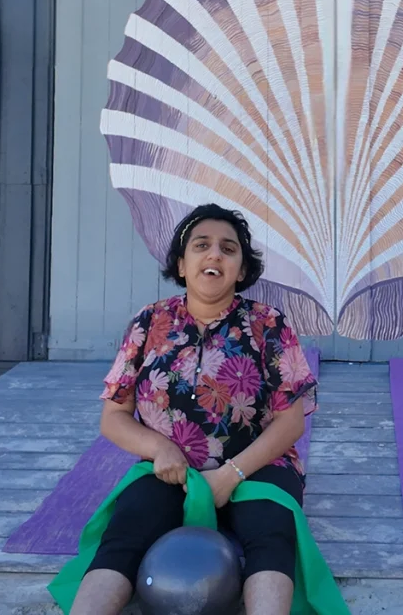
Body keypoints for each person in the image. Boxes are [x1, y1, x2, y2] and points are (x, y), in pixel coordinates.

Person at [70, 204, 318, 615]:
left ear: (241, 270)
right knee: (126, 531)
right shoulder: (149, 323)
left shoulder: (268, 323)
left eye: (228, 248)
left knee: (272, 534)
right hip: (168, 470)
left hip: (257, 466)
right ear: (182, 265)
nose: (215, 254)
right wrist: (160, 450)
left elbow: (290, 423)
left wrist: (231, 474)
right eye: (201, 245)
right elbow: (113, 417)